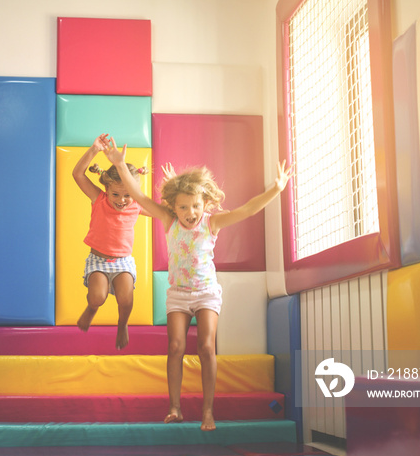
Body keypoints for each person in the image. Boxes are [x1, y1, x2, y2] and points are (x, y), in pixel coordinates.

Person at [106, 137, 293, 431]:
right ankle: (175, 408)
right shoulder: (169, 221)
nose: (190, 213)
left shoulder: (211, 223)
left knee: (206, 347)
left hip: (206, 293)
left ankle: (208, 412)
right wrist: (120, 165)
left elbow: (247, 210)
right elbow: (140, 198)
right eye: (183, 207)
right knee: (176, 347)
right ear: (173, 208)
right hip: (178, 295)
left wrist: (275, 189)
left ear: (204, 204)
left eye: (195, 206)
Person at [72, 133, 150, 350]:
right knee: (97, 297)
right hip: (98, 259)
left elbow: (164, 212)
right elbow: (77, 174)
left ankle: (122, 324)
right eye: (116, 194)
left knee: (126, 300)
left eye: (127, 195)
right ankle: (91, 309)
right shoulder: (98, 199)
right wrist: (94, 150)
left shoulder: (137, 206)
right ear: (107, 189)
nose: (122, 201)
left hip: (123, 262)